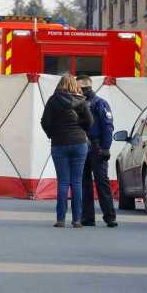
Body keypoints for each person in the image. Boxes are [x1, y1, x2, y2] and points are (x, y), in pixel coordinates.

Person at [41, 74, 94, 228]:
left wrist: (52, 134)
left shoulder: (53, 100)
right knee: (77, 182)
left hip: (59, 143)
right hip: (79, 143)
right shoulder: (81, 101)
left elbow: (45, 122)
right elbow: (90, 122)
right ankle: (77, 220)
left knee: (63, 182)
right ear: (75, 85)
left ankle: (60, 220)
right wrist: (80, 128)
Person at [76, 76, 118, 228]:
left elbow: (108, 126)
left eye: (79, 89)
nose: (77, 91)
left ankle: (110, 217)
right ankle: (87, 217)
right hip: (82, 145)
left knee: (101, 182)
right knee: (84, 182)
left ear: (87, 89)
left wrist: (106, 147)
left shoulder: (100, 103)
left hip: (96, 145)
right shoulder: (78, 104)